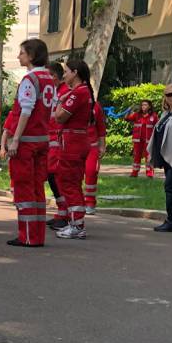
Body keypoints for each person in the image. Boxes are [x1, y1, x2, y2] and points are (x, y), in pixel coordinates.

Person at [1, 39, 57, 247]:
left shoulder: (30, 79)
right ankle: (37, 235)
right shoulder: (49, 79)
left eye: (22, 53)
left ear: (31, 56)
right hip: (42, 140)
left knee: (24, 188)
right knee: (37, 189)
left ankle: (26, 235)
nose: (19, 56)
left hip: (26, 142)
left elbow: (26, 110)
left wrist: (15, 140)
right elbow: (50, 110)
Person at [51, 58, 96, 239]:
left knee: (70, 183)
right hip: (73, 140)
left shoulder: (78, 93)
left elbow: (59, 117)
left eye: (67, 72)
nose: (65, 75)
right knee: (68, 181)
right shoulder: (81, 92)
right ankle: (74, 222)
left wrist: (60, 101)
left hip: (73, 142)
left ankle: (77, 224)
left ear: (75, 73)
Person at [150, 83, 172, 231]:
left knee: (171, 188)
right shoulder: (166, 114)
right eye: (170, 94)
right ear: (165, 98)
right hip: (169, 157)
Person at [46, 62, 70, 230]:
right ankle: (61, 212)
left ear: (53, 76)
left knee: (58, 177)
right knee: (52, 176)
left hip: (59, 141)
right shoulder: (54, 91)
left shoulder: (65, 93)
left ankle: (66, 213)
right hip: (51, 140)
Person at [83, 99, 107, 214]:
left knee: (91, 172)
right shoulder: (70, 101)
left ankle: (90, 203)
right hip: (75, 145)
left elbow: (101, 127)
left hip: (92, 146)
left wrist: (102, 145)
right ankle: (76, 202)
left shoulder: (95, 105)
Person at [125, 100, 158, 178]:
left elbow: (158, 127)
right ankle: (134, 173)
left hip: (148, 140)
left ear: (149, 106)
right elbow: (126, 118)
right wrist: (129, 110)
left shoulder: (153, 116)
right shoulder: (137, 115)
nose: (143, 106)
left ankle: (149, 173)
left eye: (145, 105)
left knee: (148, 157)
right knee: (136, 156)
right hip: (137, 140)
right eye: (142, 105)